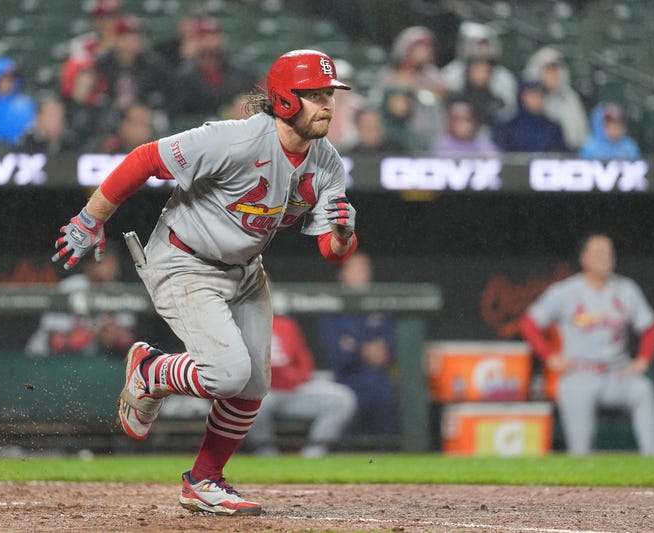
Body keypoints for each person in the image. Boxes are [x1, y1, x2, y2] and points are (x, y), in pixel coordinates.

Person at [51, 49, 357, 516]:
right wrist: (91, 218)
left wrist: (343, 233)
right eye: (314, 95)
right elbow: (145, 158)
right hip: (183, 261)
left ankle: (204, 481)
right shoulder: (235, 140)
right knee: (228, 374)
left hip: (246, 271)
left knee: (252, 386)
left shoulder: (327, 162)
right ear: (285, 100)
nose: (327, 105)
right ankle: (151, 370)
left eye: (329, 94)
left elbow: (331, 252)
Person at [519, 233, 654, 456]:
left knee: (643, 390)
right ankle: (583, 483)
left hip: (617, 373)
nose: (605, 259)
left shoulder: (626, 289)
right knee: (580, 453)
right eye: (598, 253)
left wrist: (643, 360)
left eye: (608, 253)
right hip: (580, 374)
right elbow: (529, 323)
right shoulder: (565, 291)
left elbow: (651, 329)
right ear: (584, 259)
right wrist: (550, 357)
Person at [245, 311, 358, 458]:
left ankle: (312, 457)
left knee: (342, 399)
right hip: (263, 392)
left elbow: (304, 361)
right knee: (249, 402)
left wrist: (294, 377)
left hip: (292, 390)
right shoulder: (239, 324)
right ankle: (267, 457)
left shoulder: (286, 324)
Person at [317, 251, 398, 437]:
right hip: (347, 386)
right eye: (357, 270)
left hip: (381, 390)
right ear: (342, 274)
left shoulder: (381, 306)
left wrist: (357, 347)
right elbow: (339, 355)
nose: (364, 275)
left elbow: (391, 348)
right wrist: (365, 351)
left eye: (366, 270)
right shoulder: (331, 309)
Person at [26, 251, 135, 357]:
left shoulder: (118, 291)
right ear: (89, 266)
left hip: (88, 360)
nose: (110, 269)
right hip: (44, 358)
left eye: (112, 264)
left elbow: (124, 339)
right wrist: (95, 332)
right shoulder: (69, 288)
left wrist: (109, 330)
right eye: (104, 263)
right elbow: (56, 341)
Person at [168, 16, 257, 122]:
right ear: (194, 41)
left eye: (215, 35)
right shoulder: (181, 77)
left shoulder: (242, 73)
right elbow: (176, 115)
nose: (211, 41)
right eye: (204, 37)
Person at [441, 21, 518, 123]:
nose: (481, 49)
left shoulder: (504, 77)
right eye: (476, 44)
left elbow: (508, 111)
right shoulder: (451, 72)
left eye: (485, 44)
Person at [522, 46, 589, 151]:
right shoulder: (530, 96)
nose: (553, 75)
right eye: (548, 71)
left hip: (569, 154)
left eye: (556, 71)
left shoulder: (570, 97)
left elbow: (581, 136)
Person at [493, 80, 567, 153]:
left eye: (539, 94)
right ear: (522, 97)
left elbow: (560, 155)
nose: (536, 98)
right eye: (532, 95)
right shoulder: (508, 128)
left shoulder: (553, 127)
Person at [431, 99, 499, 157]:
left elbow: (496, 160)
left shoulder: (481, 143)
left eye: (466, 120)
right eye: (457, 121)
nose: (462, 125)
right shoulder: (442, 144)